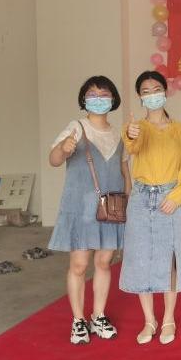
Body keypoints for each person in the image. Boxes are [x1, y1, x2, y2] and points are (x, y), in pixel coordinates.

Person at [48, 75, 130, 345]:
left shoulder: (119, 133)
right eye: (92, 94)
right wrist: (64, 148)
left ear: (113, 99)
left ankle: (98, 315)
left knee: (104, 262)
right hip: (80, 208)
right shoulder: (76, 127)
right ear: (83, 99)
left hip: (112, 206)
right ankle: (78, 320)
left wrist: (128, 200)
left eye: (104, 94)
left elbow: (124, 169)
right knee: (79, 265)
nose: (98, 99)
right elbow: (54, 160)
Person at [120, 70, 181, 346]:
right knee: (141, 257)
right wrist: (131, 134)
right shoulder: (136, 127)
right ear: (140, 97)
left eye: (156, 90)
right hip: (141, 199)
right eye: (146, 91)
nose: (152, 95)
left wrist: (177, 197)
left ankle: (168, 319)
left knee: (170, 257)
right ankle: (149, 319)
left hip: (169, 197)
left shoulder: (180, 130)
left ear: (165, 91)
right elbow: (133, 147)